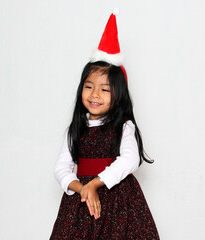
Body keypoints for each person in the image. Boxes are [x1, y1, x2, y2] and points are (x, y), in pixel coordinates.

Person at [50, 10, 159, 240]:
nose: (95, 94)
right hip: (80, 204)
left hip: (119, 203)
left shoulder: (123, 126)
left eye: (105, 89)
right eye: (89, 86)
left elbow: (129, 159)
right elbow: (61, 167)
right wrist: (84, 189)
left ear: (118, 94)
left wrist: (97, 183)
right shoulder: (76, 129)